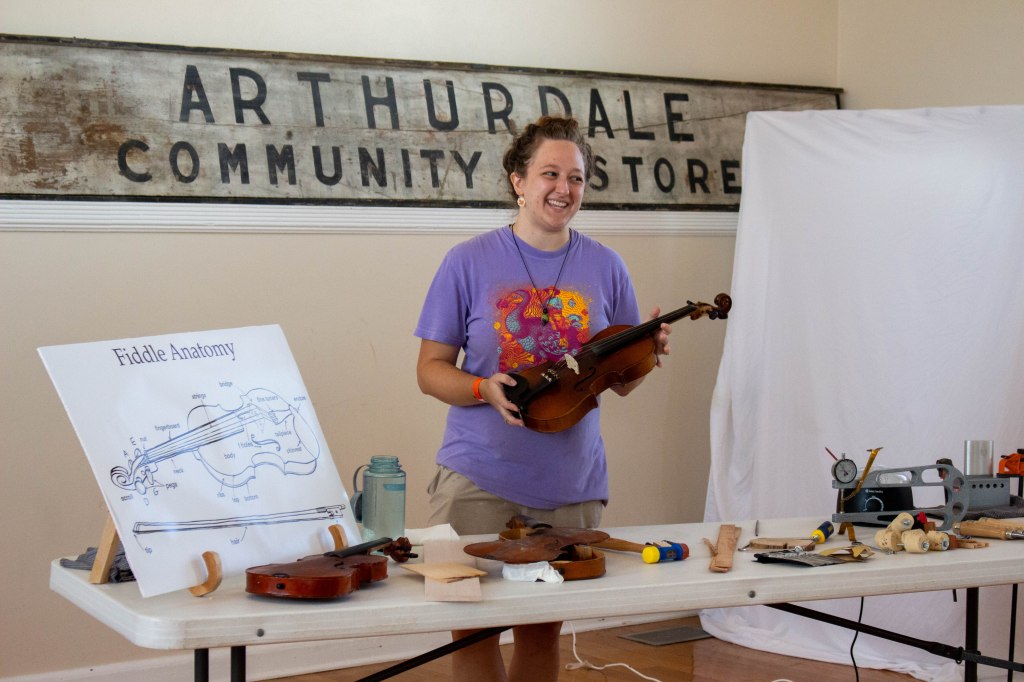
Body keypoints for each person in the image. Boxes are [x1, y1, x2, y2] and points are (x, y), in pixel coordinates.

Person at [414, 115, 672, 682]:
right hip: (476, 478)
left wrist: (646, 355)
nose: (564, 189)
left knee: (541, 629)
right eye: (550, 173)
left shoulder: (606, 266)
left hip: (569, 485)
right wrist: (482, 388)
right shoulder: (467, 261)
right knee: (472, 630)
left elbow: (618, 382)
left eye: (576, 178)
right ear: (517, 180)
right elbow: (430, 372)